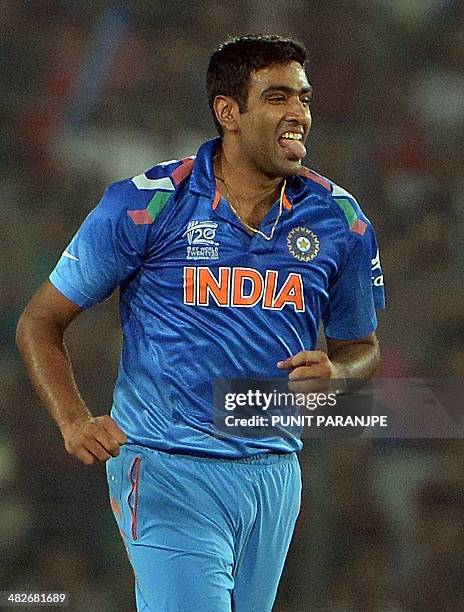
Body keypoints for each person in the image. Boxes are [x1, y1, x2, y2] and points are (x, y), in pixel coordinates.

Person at [16, 35, 385, 611]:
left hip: (274, 475)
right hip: (166, 467)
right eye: (278, 98)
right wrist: (72, 420)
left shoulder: (341, 219)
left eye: (305, 99)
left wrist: (339, 372)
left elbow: (361, 345)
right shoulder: (148, 204)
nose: (299, 114)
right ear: (228, 112)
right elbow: (40, 322)